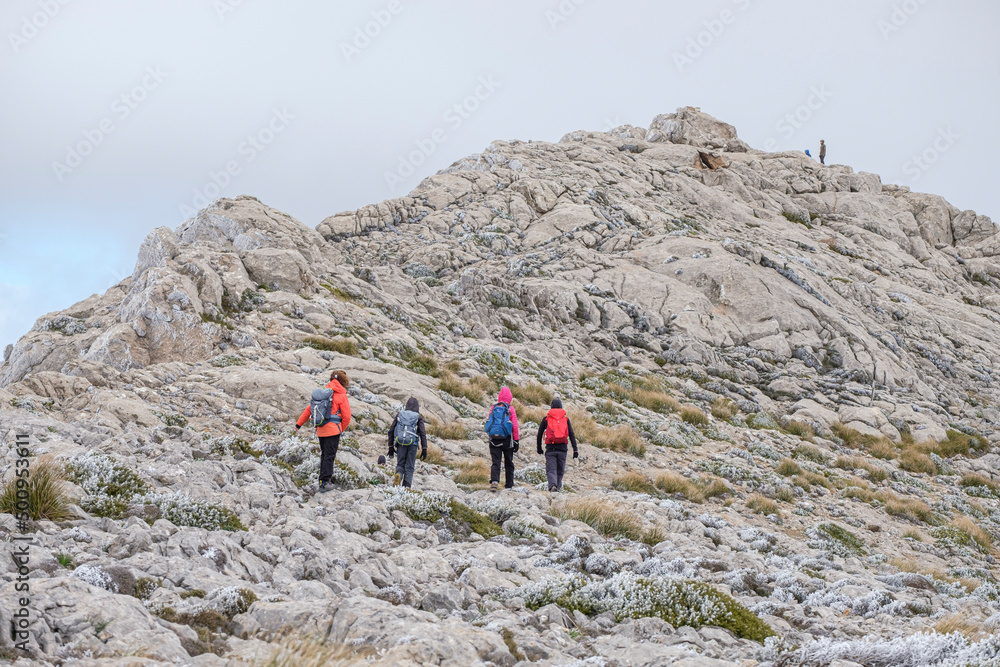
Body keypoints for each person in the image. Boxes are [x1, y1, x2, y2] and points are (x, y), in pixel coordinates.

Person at [295, 370, 352, 493]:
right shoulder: (341, 395)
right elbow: (347, 416)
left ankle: (322, 480)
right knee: (329, 456)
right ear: (343, 381)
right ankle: (324, 483)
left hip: (321, 429)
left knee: (325, 455)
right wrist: (340, 429)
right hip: (333, 430)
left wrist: (298, 424)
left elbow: (308, 410)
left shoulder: (323, 393)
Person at [536, 397, 578, 492]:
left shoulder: (546, 419)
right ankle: (557, 488)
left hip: (551, 448)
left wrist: (539, 448)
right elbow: (571, 434)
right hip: (563, 449)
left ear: (551, 407)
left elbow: (539, 434)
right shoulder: (566, 419)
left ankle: (552, 487)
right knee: (560, 471)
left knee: (551, 470)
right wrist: (575, 450)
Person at [484, 387, 519, 491]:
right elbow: (515, 426)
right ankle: (509, 485)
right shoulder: (510, 409)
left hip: (494, 439)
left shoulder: (493, 408)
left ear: (499, 397)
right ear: (510, 398)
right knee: (509, 462)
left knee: (496, 461)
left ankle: (494, 482)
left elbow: (489, 421)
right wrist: (516, 440)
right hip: (507, 440)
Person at [387, 397, 427, 488]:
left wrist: (391, 447)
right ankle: (406, 489)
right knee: (409, 467)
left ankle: (398, 475)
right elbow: (423, 434)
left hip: (401, 443)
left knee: (400, 464)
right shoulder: (418, 417)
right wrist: (424, 448)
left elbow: (391, 430)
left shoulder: (400, 414)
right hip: (412, 445)